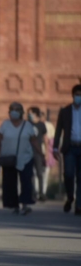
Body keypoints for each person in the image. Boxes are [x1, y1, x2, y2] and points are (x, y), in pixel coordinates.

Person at [0, 103, 39, 215]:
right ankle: (14, 205)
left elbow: (34, 141)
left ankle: (25, 204)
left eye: (17, 110)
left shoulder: (28, 125)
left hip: (25, 157)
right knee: (10, 182)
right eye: (12, 110)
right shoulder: (5, 124)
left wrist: (42, 154)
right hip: (9, 158)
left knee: (26, 181)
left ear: (21, 112)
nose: (14, 112)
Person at [53, 84, 81, 215]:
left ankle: (79, 205)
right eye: (77, 95)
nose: (78, 97)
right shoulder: (65, 111)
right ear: (73, 95)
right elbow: (58, 130)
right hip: (69, 148)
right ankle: (70, 197)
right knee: (69, 174)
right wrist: (55, 147)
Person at [27, 107, 49, 202]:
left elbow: (45, 139)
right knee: (30, 174)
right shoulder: (27, 124)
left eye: (30, 113)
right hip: (28, 152)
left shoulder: (41, 125)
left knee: (40, 173)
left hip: (38, 152)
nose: (29, 115)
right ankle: (32, 193)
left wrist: (47, 152)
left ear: (35, 114)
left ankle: (41, 193)